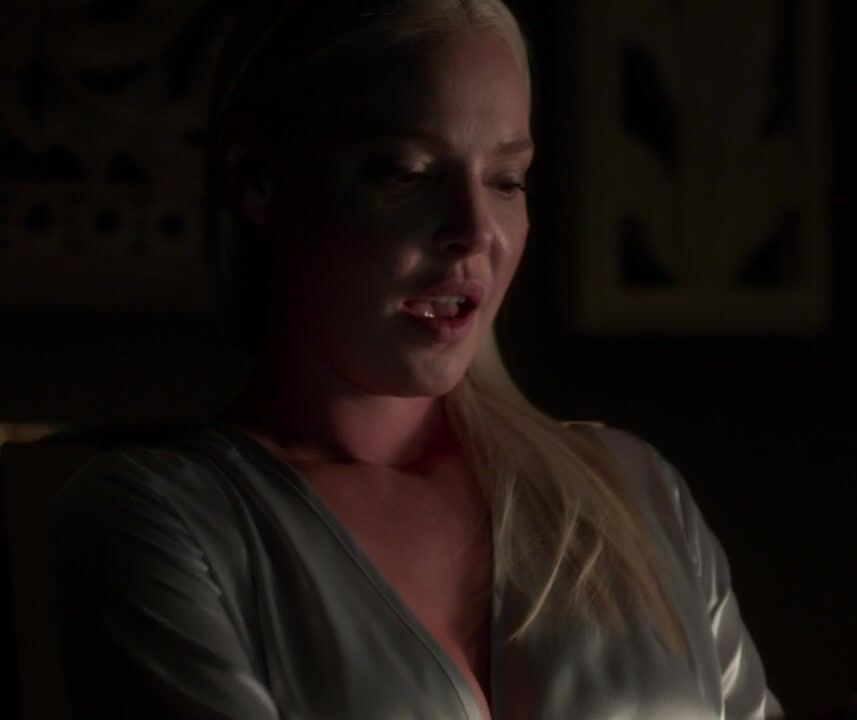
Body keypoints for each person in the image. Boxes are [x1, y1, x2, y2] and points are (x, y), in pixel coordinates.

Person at [50, 2, 782, 718]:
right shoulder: (162, 520)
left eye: (506, 180)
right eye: (406, 171)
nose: (474, 231)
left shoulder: (635, 491)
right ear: (256, 178)